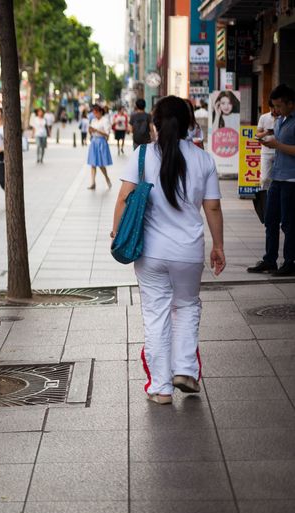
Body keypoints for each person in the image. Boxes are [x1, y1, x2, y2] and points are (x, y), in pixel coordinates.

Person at [111, 95, 225, 405]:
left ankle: (160, 388)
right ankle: (185, 370)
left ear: (155, 124)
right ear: (190, 124)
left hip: (151, 253)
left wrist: (117, 231)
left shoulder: (142, 155)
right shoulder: (203, 159)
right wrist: (218, 245)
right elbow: (212, 207)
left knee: (156, 314)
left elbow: (123, 199)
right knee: (187, 306)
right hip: (188, 252)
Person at [252, 84, 295, 277]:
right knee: (270, 220)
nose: (275, 110)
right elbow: (277, 142)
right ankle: (270, 260)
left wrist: (277, 144)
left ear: (290, 103)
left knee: (288, 223)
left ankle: (290, 261)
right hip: (276, 177)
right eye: (274, 106)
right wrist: (268, 140)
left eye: (279, 106)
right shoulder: (280, 121)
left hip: (291, 179)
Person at [87, 105, 113, 189]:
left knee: (101, 164)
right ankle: (93, 182)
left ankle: (107, 178)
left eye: (96, 112)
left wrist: (97, 130)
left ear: (100, 112)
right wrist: (90, 131)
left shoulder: (105, 120)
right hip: (94, 142)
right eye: (93, 113)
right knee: (93, 163)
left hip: (101, 142)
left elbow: (107, 134)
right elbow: (91, 132)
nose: (95, 114)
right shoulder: (93, 120)